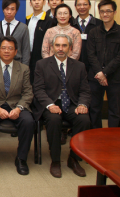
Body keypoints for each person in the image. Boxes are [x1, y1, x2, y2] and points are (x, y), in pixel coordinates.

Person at [33, 34, 91, 178]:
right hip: (51, 103)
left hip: (72, 103)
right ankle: (56, 160)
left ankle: (74, 159)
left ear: (70, 49)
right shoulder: (42, 64)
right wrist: (50, 105)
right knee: (53, 120)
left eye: (64, 46)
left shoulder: (79, 66)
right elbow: (38, 90)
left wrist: (83, 104)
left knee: (84, 120)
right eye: (57, 45)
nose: (60, 49)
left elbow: (85, 90)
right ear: (52, 47)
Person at [0, 36, 34, 176]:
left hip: (17, 105)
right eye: (3, 48)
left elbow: (28, 92)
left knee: (28, 121)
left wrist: (19, 108)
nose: (6, 51)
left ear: (16, 51)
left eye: (10, 48)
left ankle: (21, 159)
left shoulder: (23, 69)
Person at [87, 0, 120, 129]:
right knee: (94, 108)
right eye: (102, 12)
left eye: (108, 11)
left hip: (115, 77)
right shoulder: (94, 32)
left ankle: (112, 137)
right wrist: (99, 73)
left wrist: (104, 73)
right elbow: (91, 55)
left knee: (114, 110)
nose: (105, 14)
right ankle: (96, 135)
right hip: (95, 77)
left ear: (115, 12)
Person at [0, 0, 30, 66]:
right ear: (3, 9)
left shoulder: (23, 28)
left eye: (12, 9)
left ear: (16, 10)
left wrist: (25, 68)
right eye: (7, 9)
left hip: (17, 65)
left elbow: (26, 51)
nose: (9, 12)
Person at [26, 0, 52, 83]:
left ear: (44, 2)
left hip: (41, 56)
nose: (36, 2)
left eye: (39, 0)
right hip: (28, 55)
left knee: (40, 81)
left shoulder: (49, 21)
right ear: (30, 3)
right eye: (34, 0)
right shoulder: (27, 19)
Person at [71, 0, 102, 73]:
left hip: (94, 66)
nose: (82, 7)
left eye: (85, 4)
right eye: (79, 5)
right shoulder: (71, 24)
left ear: (90, 6)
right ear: (75, 7)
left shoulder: (99, 24)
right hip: (74, 65)